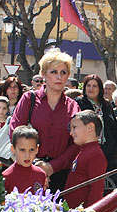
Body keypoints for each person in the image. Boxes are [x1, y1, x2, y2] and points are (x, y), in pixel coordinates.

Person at [9, 49, 80, 193]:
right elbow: (15, 131)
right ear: (43, 74)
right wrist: (34, 165)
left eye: (63, 72)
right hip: (27, 169)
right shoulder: (29, 99)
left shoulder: (73, 106)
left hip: (59, 174)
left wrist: (52, 167)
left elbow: (76, 143)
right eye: (53, 72)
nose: (59, 77)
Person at [76, 75, 117, 166]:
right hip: (86, 151)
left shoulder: (107, 105)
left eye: (94, 86)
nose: (91, 88)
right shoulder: (78, 103)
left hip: (107, 151)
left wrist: (114, 148)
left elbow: (115, 128)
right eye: (88, 85)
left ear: (100, 88)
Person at [3, 126, 47, 194]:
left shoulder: (41, 174)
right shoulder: (6, 177)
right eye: (22, 150)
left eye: (31, 150)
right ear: (13, 149)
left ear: (37, 149)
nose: (27, 155)